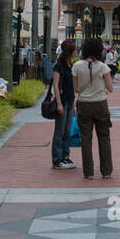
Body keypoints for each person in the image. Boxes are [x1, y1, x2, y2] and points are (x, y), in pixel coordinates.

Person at [72, 36, 114, 179]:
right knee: (104, 138)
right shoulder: (104, 67)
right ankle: (106, 171)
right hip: (100, 104)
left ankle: (88, 172)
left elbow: (76, 89)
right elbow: (110, 88)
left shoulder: (76, 66)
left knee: (86, 139)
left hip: (84, 104)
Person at [50, 39, 77, 170]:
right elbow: (55, 85)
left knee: (67, 131)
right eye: (74, 50)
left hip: (70, 101)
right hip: (63, 101)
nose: (76, 52)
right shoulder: (59, 65)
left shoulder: (70, 65)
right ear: (69, 51)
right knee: (59, 131)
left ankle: (65, 156)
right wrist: (59, 103)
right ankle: (57, 159)